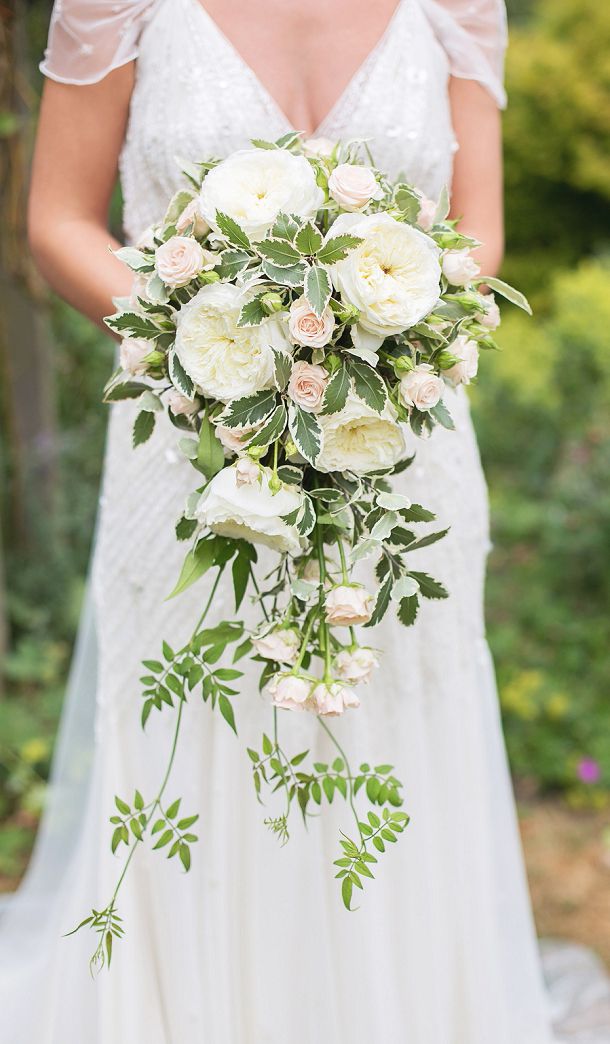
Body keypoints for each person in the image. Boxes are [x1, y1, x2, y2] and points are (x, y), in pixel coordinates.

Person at [0, 1, 560, 1041]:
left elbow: (477, 230)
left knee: (388, 735)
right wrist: (211, 339)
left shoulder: (455, 7)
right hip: (186, 443)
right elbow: (58, 220)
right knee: (201, 733)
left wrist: (372, 329)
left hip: (400, 451)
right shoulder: (117, 5)